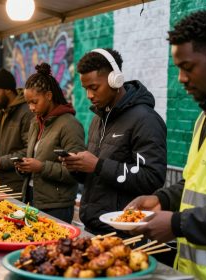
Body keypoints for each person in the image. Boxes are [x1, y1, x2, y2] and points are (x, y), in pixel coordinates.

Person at [127, 10, 206, 279]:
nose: (181, 78)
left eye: (188, 67)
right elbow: (197, 184)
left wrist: (176, 223)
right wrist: (161, 199)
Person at [62, 48, 167, 235]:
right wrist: (77, 167)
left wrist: (98, 165)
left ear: (115, 80)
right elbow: (97, 173)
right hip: (94, 226)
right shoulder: (99, 118)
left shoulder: (146, 120)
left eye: (94, 87)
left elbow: (152, 178)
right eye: (85, 89)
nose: (89, 95)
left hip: (123, 232)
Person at [15, 63, 85, 223]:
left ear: (48, 95)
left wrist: (40, 167)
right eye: (28, 103)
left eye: (34, 102)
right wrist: (23, 167)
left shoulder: (70, 125)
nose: (31, 108)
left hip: (57, 206)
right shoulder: (36, 122)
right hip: (32, 197)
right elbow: (33, 158)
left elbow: (76, 172)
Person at [0, 69, 34, 193]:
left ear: (8, 90)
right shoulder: (0, 110)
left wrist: (0, 163)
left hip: (17, 184)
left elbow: (30, 150)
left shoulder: (26, 112)